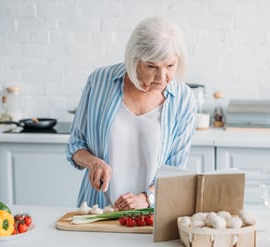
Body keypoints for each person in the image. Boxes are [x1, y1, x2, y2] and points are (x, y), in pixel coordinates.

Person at [66, 16, 197, 210]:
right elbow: (75, 145)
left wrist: (146, 199)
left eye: (170, 66)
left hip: (150, 216)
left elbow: (175, 172)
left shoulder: (184, 99)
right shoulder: (100, 82)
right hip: (97, 210)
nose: (162, 78)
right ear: (134, 59)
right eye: (151, 66)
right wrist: (93, 162)